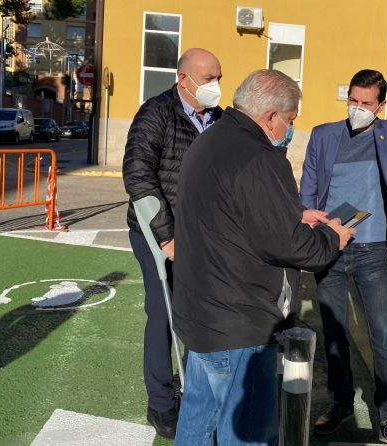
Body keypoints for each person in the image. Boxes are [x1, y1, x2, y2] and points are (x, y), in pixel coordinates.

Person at [172, 69, 356, 446]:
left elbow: (230, 212)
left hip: (200, 315)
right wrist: (331, 237)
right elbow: (294, 247)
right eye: (290, 121)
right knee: (249, 435)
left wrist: (294, 214)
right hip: (239, 323)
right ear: (272, 116)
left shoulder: (211, 140)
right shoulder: (260, 157)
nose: (289, 129)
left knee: (196, 424)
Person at [299, 69, 387, 443]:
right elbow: (309, 187)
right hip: (330, 247)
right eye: (353, 100)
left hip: (372, 251)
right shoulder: (323, 135)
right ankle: (341, 404)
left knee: (384, 334)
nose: (358, 108)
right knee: (335, 334)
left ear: (381, 105)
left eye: (367, 103)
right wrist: (309, 232)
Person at [122, 48, 223, 439]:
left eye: (219, 77)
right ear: (184, 79)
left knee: (198, 311)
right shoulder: (156, 113)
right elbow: (138, 175)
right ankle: (161, 402)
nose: (215, 85)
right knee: (163, 311)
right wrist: (167, 236)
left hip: (202, 235)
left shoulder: (220, 119)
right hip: (155, 233)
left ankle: (200, 386)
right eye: (208, 78)